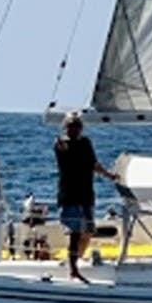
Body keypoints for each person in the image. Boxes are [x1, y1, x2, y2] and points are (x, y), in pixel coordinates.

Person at [53, 112, 117, 282]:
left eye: (76, 126)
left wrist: (109, 175)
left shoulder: (85, 143)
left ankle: (74, 260)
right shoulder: (61, 144)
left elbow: (93, 163)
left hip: (86, 193)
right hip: (70, 194)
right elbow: (63, 155)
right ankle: (73, 269)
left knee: (88, 231)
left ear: (81, 128)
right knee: (75, 232)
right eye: (69, 126)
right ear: (65, 128)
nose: (73, 130)